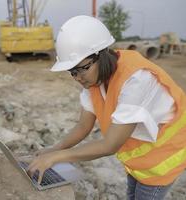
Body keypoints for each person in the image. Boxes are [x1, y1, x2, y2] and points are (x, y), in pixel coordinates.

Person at [27, 15, 186, 200]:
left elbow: (110, 145)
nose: (77, 77)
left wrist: (56, 158)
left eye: (81, 69)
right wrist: (53, 149)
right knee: (132, 195)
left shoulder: (137, 80)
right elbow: (83, 126)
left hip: (162, 159)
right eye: (72, 72)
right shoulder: (94, 81)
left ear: (101, 55)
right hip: (138, 160)